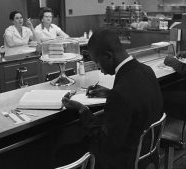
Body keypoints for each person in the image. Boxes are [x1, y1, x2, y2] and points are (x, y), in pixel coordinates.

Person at [61, 29, 163, 169]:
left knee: (66, 152)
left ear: (108, 56)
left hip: (125, 160)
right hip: (148, 151)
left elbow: (106, 143)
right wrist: (109, 93)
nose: (99, 68)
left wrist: (82, 110)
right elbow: (135, 99)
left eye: (97, 62)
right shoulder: (146, 70)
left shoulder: (120, 93)